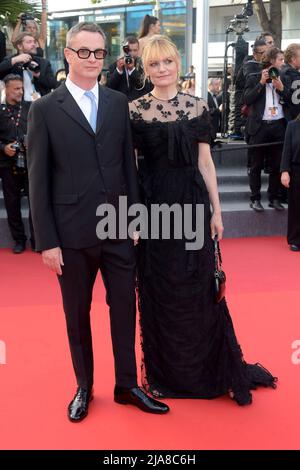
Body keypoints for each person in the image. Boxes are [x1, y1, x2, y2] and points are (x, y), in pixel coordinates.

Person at [27, 22, 169, 423]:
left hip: (119, 227)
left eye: (99, 52)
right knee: (77, 315)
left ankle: (127, 385)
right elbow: (37, 181)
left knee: (124, 307)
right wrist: (47, 241)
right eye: (84, 52)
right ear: (69, 55)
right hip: (70, 235)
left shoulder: (115, 102)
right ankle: (84, 386)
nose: (92, 59)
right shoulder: (44, 109)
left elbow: (128, 163)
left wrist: (137, 216)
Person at [129, 35, 277, 405]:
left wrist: (217, 210)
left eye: (167, 62)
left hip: (192, 207)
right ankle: (167, 375)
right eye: (154, 64)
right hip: (153, 211)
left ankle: (203, 370)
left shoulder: (197, 108)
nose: (162, 69)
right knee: (159, 287)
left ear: (178, 64)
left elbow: (205, 163)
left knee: (197, 289)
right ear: (145, 69)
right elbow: (129, 168)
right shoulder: (133, 111)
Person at [244, 47, 287, 212]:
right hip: (260, 126)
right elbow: (247, 99)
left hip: (278, 126)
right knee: (255, 165)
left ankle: (274, 198)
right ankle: (255, 198)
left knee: (277, 165)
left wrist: (281, 88)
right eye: (280, 60)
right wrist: (261, 83)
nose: (282, 64)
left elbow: (291, 99)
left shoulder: (283, 78)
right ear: (270, 62)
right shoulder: (254, 77)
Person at [0, 74, 35, 253]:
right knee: (12, 205)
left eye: (21, 88)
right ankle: (19, 240)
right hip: (7, 164)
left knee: (36, 203)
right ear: (6, 88)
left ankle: (37, 239)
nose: (21, 91)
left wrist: (32, 141)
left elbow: (41, 131)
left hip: (30, 163)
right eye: (16, 89)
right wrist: (3, 147)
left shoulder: (31, 108)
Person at [0, 33, 57, 101]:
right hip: (18, 104)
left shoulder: (43, 63)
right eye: (29, 42)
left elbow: (53, 84)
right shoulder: (11, 61)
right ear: (20, 46)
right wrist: (15, 60)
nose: (33, 44)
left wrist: (39, 75)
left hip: (40, 104)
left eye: (34, 42)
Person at [107, 36, 153, 101]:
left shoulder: (144, 65)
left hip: (139, 104)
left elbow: (149, 87)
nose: (132, 53)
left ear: (138, 50)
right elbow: (108, 88)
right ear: (124, 50)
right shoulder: (114, 66)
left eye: (135, 50)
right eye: (130, 50)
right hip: (120, 104)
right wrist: (118, 71)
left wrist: (132, 70)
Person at [281, 116, 300, 251]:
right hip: (296, 170)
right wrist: (285, 171)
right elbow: (286, 150)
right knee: (296, 206)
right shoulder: (292, 126)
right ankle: (296, 240)